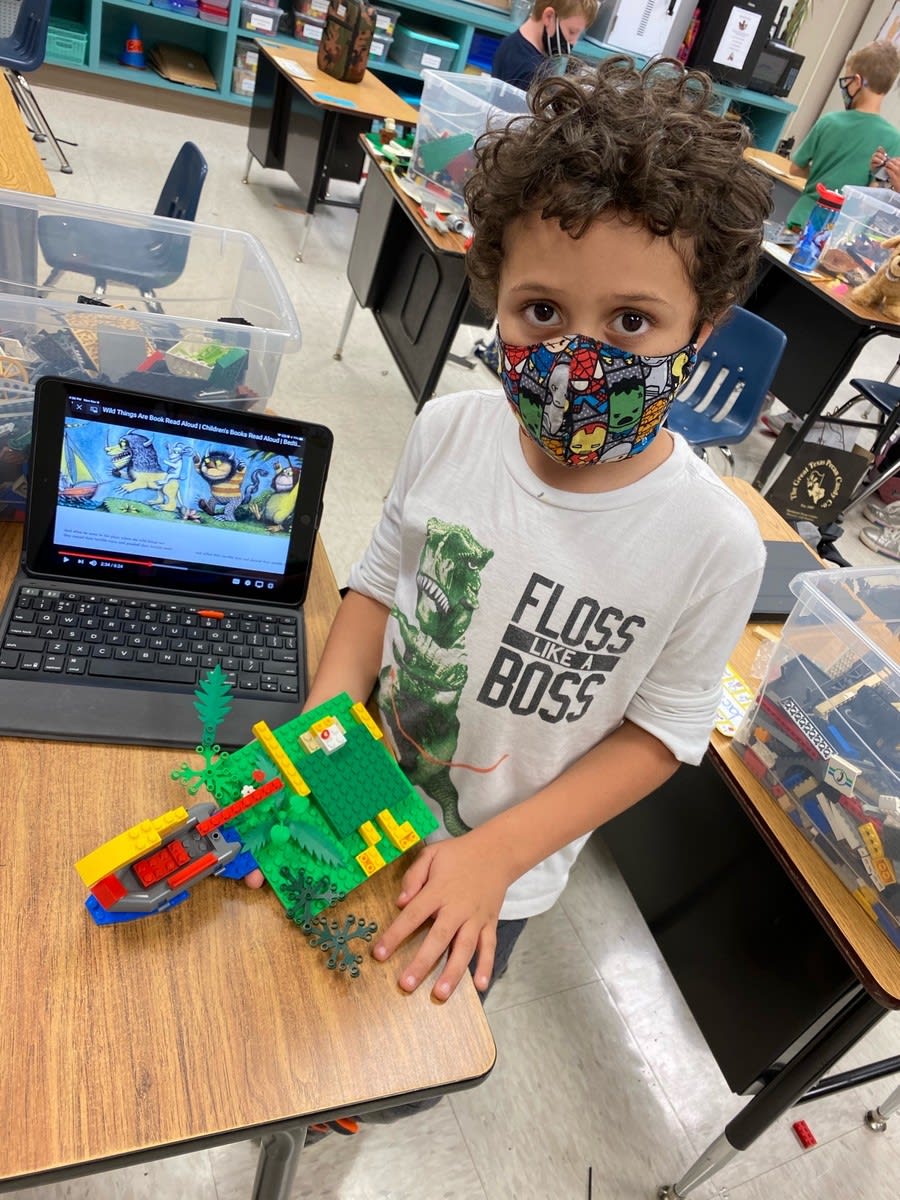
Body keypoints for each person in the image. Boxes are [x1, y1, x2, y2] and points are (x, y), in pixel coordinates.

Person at [248, 53, 770, 1140]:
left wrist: (496, 854)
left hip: (507, 862)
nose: (577, 359)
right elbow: (376, 592)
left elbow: (661, 736)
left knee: (403, 1057)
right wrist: (322, 727)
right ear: (496, 294)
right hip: (362, 781)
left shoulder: (715, 543)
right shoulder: (451, 430)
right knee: (284, 986)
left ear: (703, 329)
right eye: (541, 310)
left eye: (631, 323)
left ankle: (362, 1115)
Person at [786, 39, 900, 230]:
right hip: (840, 229)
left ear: (857, 82)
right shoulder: (893, 139)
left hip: (802, 217)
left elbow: (795, 169)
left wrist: (823, 177)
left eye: (847, 80)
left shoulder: (829, 121)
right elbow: (872, 196)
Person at [491, 1, 599, 91]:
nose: (573, 42)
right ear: (548, 16)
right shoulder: (532, 73)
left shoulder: (510, 42)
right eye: (572, 32)